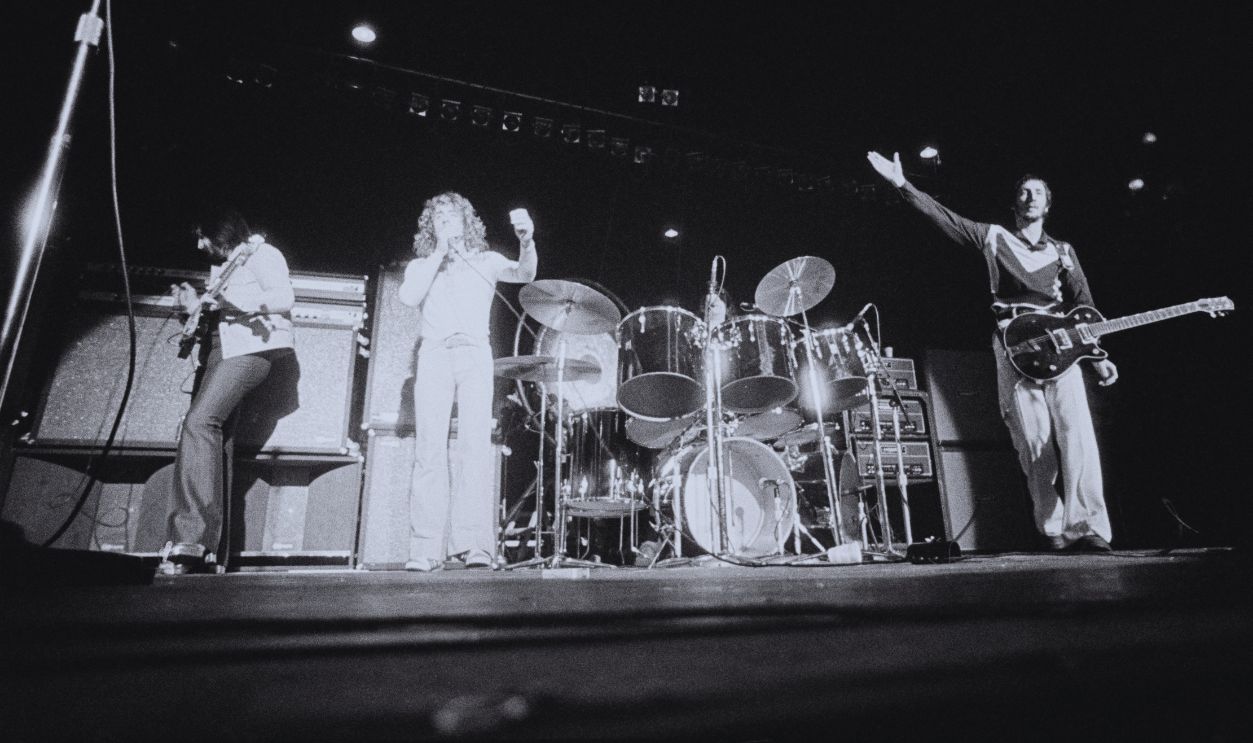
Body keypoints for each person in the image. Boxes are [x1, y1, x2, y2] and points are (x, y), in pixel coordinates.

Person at [866, 151, 1117, 552]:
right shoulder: (993, 237)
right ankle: (1054, 528)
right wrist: (902, 184)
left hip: (1063, 351)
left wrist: (1100, 357)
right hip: (1015, 347)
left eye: (1038, 192)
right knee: (1035, 444)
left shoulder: (1064, 252)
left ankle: (1088, 527)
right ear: (1015, 202)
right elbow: (945, 218)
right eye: (1024, 191)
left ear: (1048, 205)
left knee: (1078, 437)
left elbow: (1084, 304)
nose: (1031, 196)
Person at [398, 192, 537, 571]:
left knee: (474, 450)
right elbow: (408, 297)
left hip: (474, 354)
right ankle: (425, 549)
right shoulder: (421, 266)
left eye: (451, 216)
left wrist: (527, 241)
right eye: (437, 217)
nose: (444, 221)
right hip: (435, 355)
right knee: (430, 450)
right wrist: (438, 254)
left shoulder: (486, 261)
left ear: (465, 222)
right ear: (431, 226)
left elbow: (525, 275)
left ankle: (476, 545)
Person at [162, 208, 296, 574]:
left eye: (203, 235)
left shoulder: (263, 254)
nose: (199, 244)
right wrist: (193, 309)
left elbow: (284, 297)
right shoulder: (226, 268)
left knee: (200, 422)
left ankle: (190, 538)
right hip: (222, 351)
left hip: (252, 351)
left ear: (220, 231)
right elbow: (220, 316)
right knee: (217, 440)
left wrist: (236, 303)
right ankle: (210, 554)